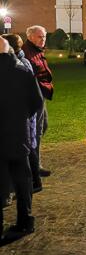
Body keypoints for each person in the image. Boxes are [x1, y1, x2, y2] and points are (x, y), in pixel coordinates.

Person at [0, 37, 44, 238]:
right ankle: (25, 220)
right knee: (22, 180)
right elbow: (36, 101)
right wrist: (22, 117)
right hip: (19, 134)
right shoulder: (23, 72)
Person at [2, 35, 40, 194]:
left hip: (15, 130)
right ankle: (25, 216)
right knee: (22, 172)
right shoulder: (23, 70)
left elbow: (35, 100)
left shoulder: (22, 68)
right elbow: (36, 100)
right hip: (20, 130)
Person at [21, 25, 53, 183]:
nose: (43, 40)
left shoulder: (37, 50)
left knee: (43, 126)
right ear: (31, 36)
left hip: (42, 94)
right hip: (35, 96)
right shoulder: (27, 51)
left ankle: (33, 161)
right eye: (40, 37)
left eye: (45, 36)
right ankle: (34, 165)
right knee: (36, 130)